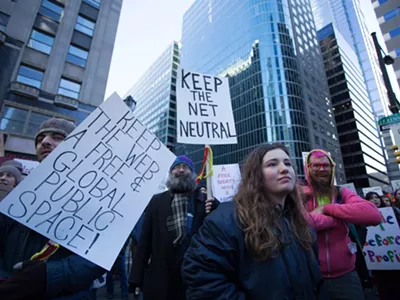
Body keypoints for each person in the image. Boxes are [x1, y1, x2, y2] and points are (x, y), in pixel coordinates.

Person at [182, 143, 328, 299]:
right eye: (272, 164)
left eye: (287, 163)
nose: (284, 168)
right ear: (256, 175)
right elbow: (202, 279)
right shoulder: (225, 220)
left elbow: (316, 282)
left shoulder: (302, 224)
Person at [0, 118, 105, 299]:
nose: (45, 142)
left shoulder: (96, 197)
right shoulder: (20, 194)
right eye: (40, 139)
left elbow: (100, 255)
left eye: (57, 137)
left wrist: (48, 275)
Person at [128, 155, 218, 300]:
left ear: (193, 173)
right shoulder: (156, 202)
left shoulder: (204, 200)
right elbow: (144, 243)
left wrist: (215, 208)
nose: (181, 170)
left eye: (185, 167)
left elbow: (217, 234)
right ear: (170, 174)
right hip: (162, 281)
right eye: (176, 167)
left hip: (194, 281)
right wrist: (135, 280)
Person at [301, 149, 381, 300]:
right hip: (310, 277)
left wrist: (327, 208)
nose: (322, 169)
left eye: (326, 165)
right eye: (316, 166)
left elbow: (374, 215)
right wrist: (335, 220)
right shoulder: (299, 193)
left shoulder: (341, 192)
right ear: (308, 168)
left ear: (332, 168)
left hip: (346, 277)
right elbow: (300, 223)